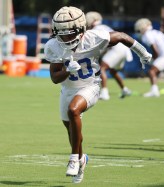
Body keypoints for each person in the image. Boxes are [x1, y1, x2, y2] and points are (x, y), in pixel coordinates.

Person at [44, 6, 152, 183]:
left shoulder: (95, 37)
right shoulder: (53, 45)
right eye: (62, 33)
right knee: (71, 130)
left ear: (81, 29)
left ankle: (73, 159)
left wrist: (142, 52)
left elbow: (122, 36)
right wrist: (67, 72)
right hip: (68, 89)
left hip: (91, 85)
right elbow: (55, 78)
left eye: (70, 33)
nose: (66, 38)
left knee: (73, 111)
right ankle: (81, 159)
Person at [85, 11, 133, 100]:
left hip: (117, 49)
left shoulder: (96, 29)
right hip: (124, 49)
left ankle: (105, 93)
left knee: (101, 68)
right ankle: (125, 89)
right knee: (112, 70)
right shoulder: (103, 26)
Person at [134, 18, 164, 97]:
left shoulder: (147, 35)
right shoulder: (157, 32)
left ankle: (154, 91)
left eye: (138, 31)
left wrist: (155, 59)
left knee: (152, 71)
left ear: (142, 29)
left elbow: (154, 48)